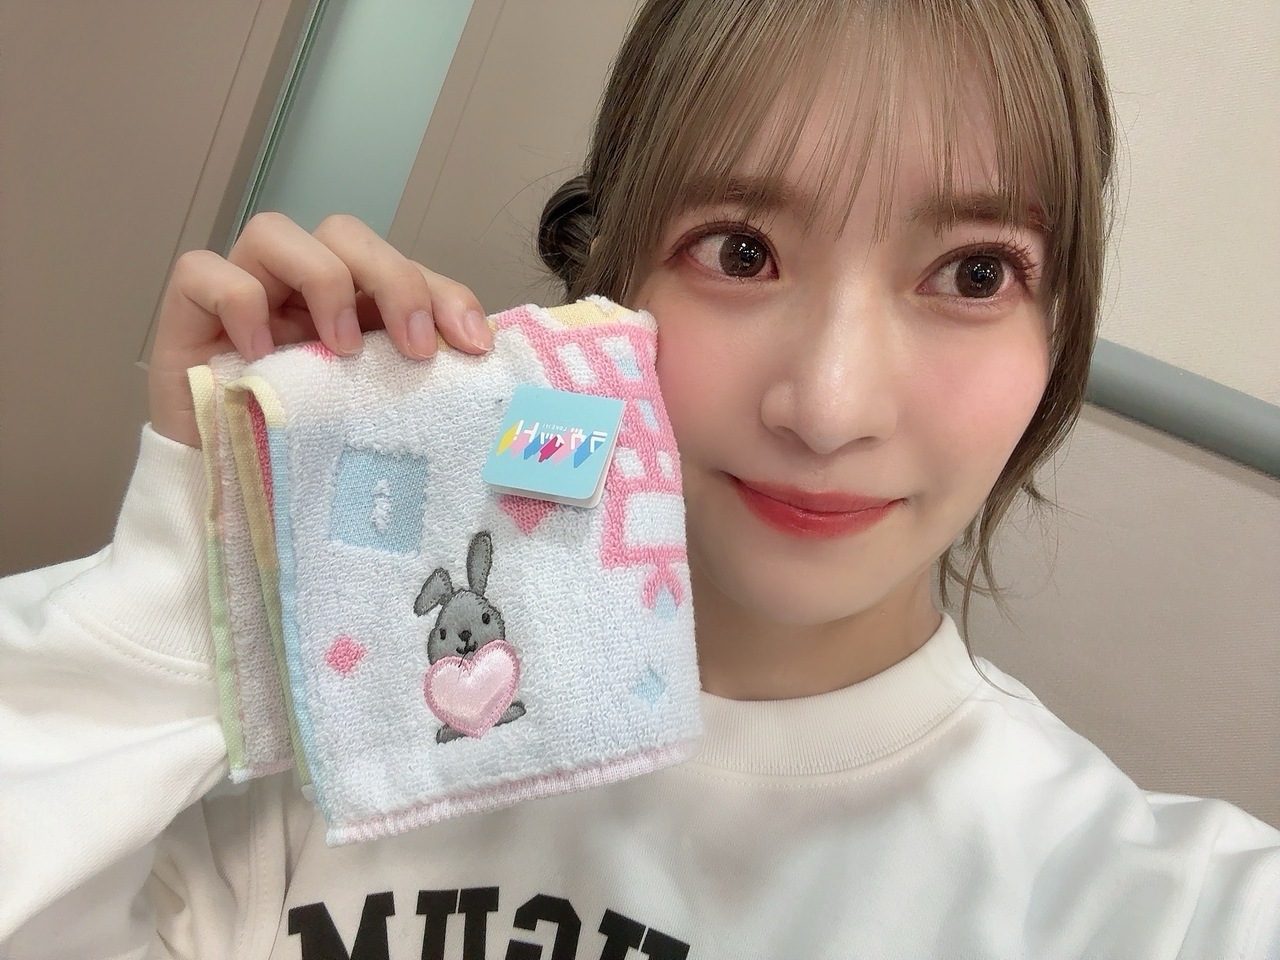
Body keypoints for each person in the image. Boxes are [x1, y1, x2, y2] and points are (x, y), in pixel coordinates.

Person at [2, 0, 1277, 956]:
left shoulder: (1160, 907)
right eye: (739, 251)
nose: (828, 407)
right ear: (608, 289)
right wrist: (188, 580)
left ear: (1056, 335)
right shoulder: (345, 721)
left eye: (973, 273)